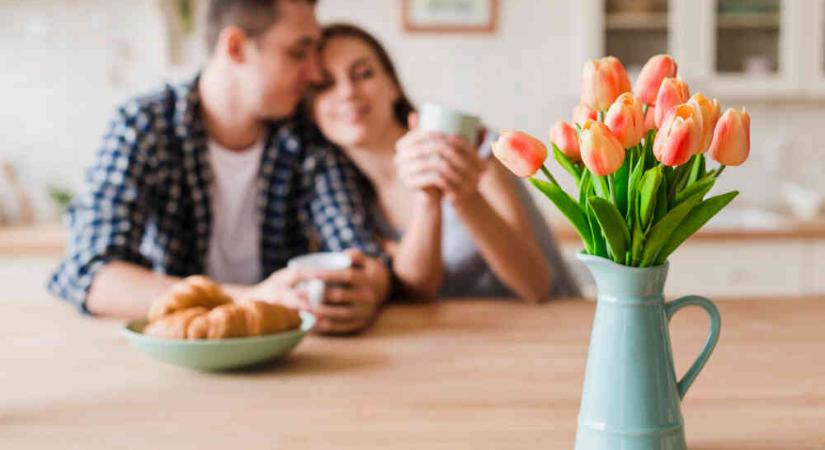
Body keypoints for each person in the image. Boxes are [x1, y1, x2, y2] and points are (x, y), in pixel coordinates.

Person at [48, 1, 391, 335]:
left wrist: (368, 289)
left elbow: (361, 252)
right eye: (298, 52)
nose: (315, 73)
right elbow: (91, 275)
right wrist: (250, 299)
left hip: (279, 354)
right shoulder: (144, 126)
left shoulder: (306, 134)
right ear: (236, 47)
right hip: (176, 349)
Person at [307, 24, 579, 301]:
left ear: (392, 85)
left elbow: (537, 286)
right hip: (454, 339)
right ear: (310, 110)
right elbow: (417, 290)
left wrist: (465, 197)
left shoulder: (471, 146)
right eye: (325, 84)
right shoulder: (341, 197)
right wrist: (429, 198)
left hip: (549, 327)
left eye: (363, 74)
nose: (348, 92)